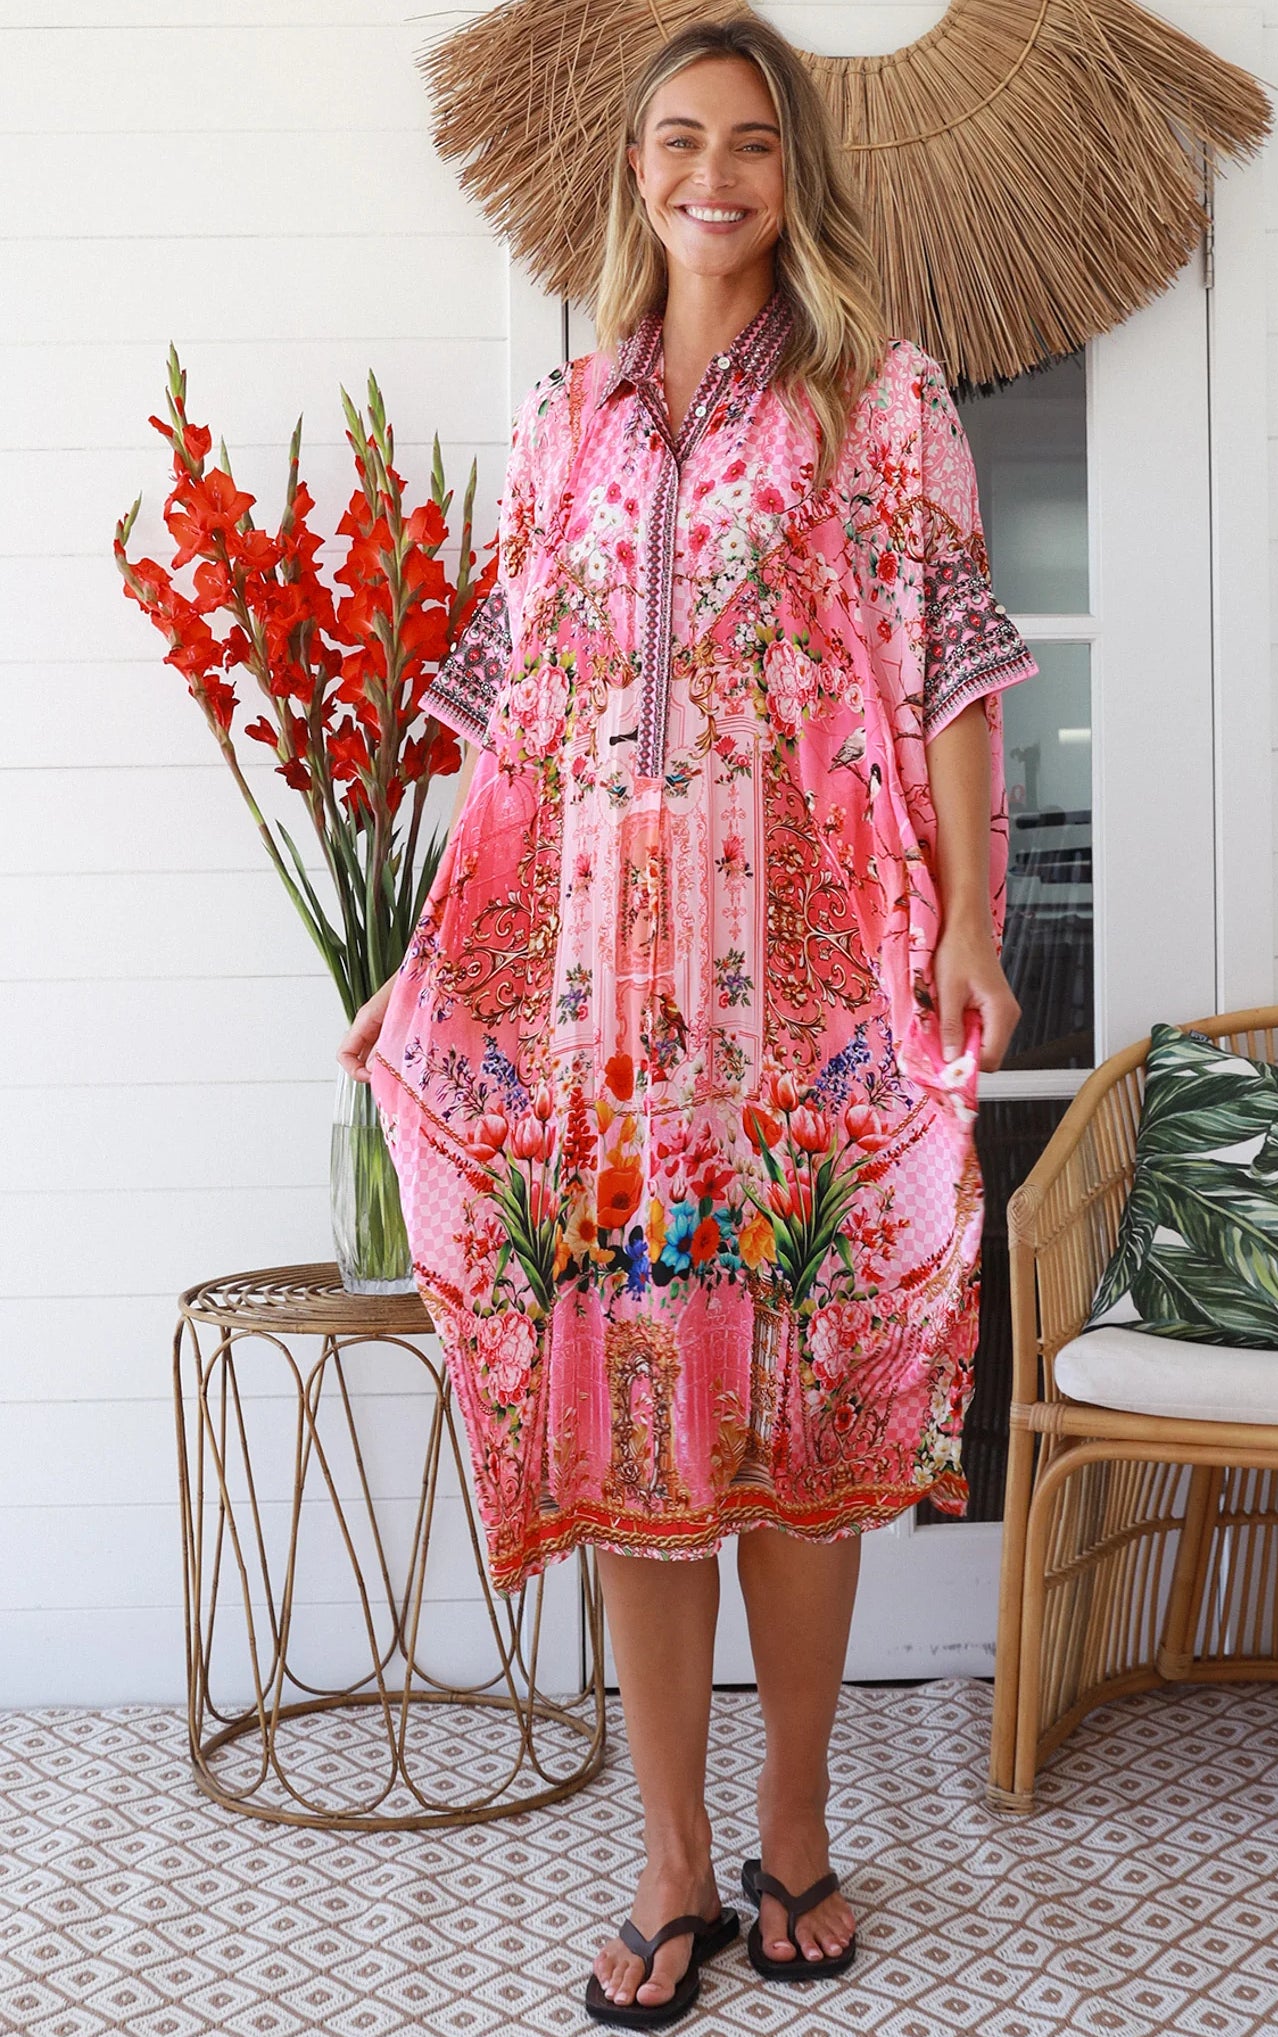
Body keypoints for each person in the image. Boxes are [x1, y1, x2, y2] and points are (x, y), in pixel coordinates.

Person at [339, 14, 1034, 2025]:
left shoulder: (880, 400)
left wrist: (970, 922)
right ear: (633, 170)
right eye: (678, 140)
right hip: (590, 1013)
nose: (711, 173)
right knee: (639, 1422)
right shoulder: (566, 415)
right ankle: (665, 1861)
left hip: (808, 998)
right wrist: (416, 952)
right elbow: (509, 711)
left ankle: (793, 1829)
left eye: (746, 141)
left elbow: (960, 671)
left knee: (800, 1423)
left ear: (787, 168)